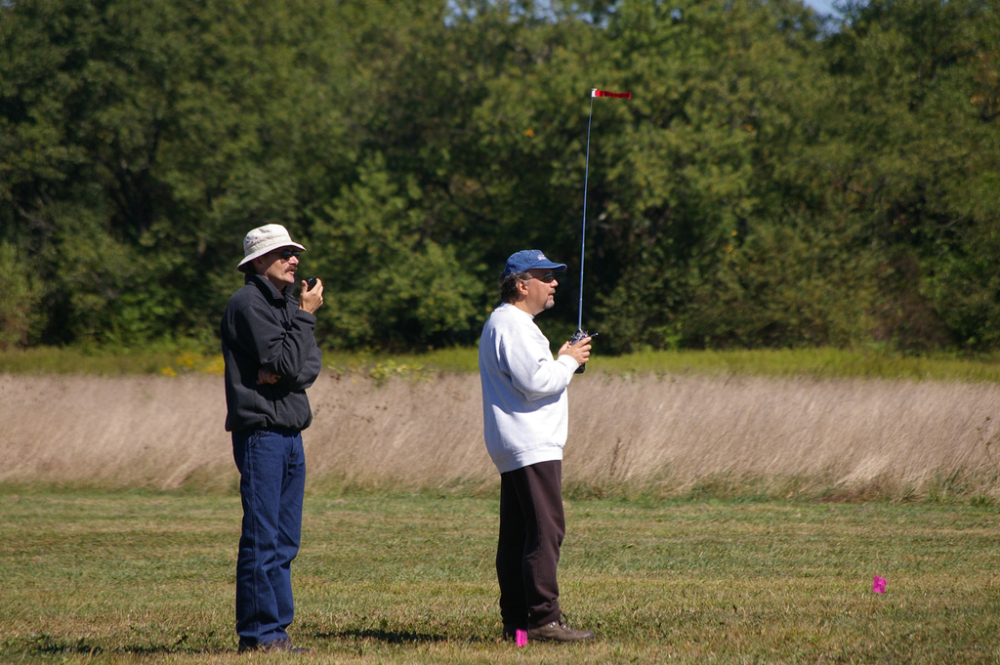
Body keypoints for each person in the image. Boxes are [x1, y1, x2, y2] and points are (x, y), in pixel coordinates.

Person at [478, 249, 595, 643]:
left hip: (517, 445)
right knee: (546, 531)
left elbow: (531, 375)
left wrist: (561, 358)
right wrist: (569, 362)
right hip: (531, 445)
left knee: (519, 536)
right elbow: (535, 382)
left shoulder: (507, 323)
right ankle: (543, 620)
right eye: (545, 275)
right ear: (521, 284)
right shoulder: (514, 324)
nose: (554, 282)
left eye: (554, 276)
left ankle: (518, 627)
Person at [220, 223, 324, 654]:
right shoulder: (248, 304)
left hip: (289, 433)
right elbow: (284, 358)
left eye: (294, 252)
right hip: (261, 434)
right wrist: (305, 318)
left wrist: (285, 364)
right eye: (283, 253)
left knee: (285, 539)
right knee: (263, 537)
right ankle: (259, 636)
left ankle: (275, 632)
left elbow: (305, 367)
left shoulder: (284, 303)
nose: (294, 259)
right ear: (259, 261)